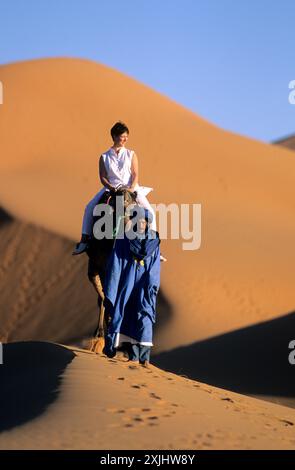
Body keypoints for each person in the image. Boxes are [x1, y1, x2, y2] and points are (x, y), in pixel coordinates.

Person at [72, 121, 167, 260]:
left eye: (126, 136)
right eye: (122, 136)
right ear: (114, 136)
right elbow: (103, 177)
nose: (125, 139)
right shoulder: (104, 157)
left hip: (131, 187)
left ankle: (154, 247)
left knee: (150, 211)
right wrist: (111, 188)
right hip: (110, 188)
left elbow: (135, 174)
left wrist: (131, 188)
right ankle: (84, 240)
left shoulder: (131, 154)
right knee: (89, 207)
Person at [103, 207, 161, 367]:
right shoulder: (123, 240)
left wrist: (152, 285)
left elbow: (155, 268)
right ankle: (133, 356)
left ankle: (145, 358)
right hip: (127, 283)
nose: (142, 223)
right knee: (125, 314)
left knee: (145, 315)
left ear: (148, 223)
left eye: (144, 221)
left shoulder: (153, 242)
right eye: (139, 220)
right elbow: (115, 263)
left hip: (144, 284)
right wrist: (114, 284)